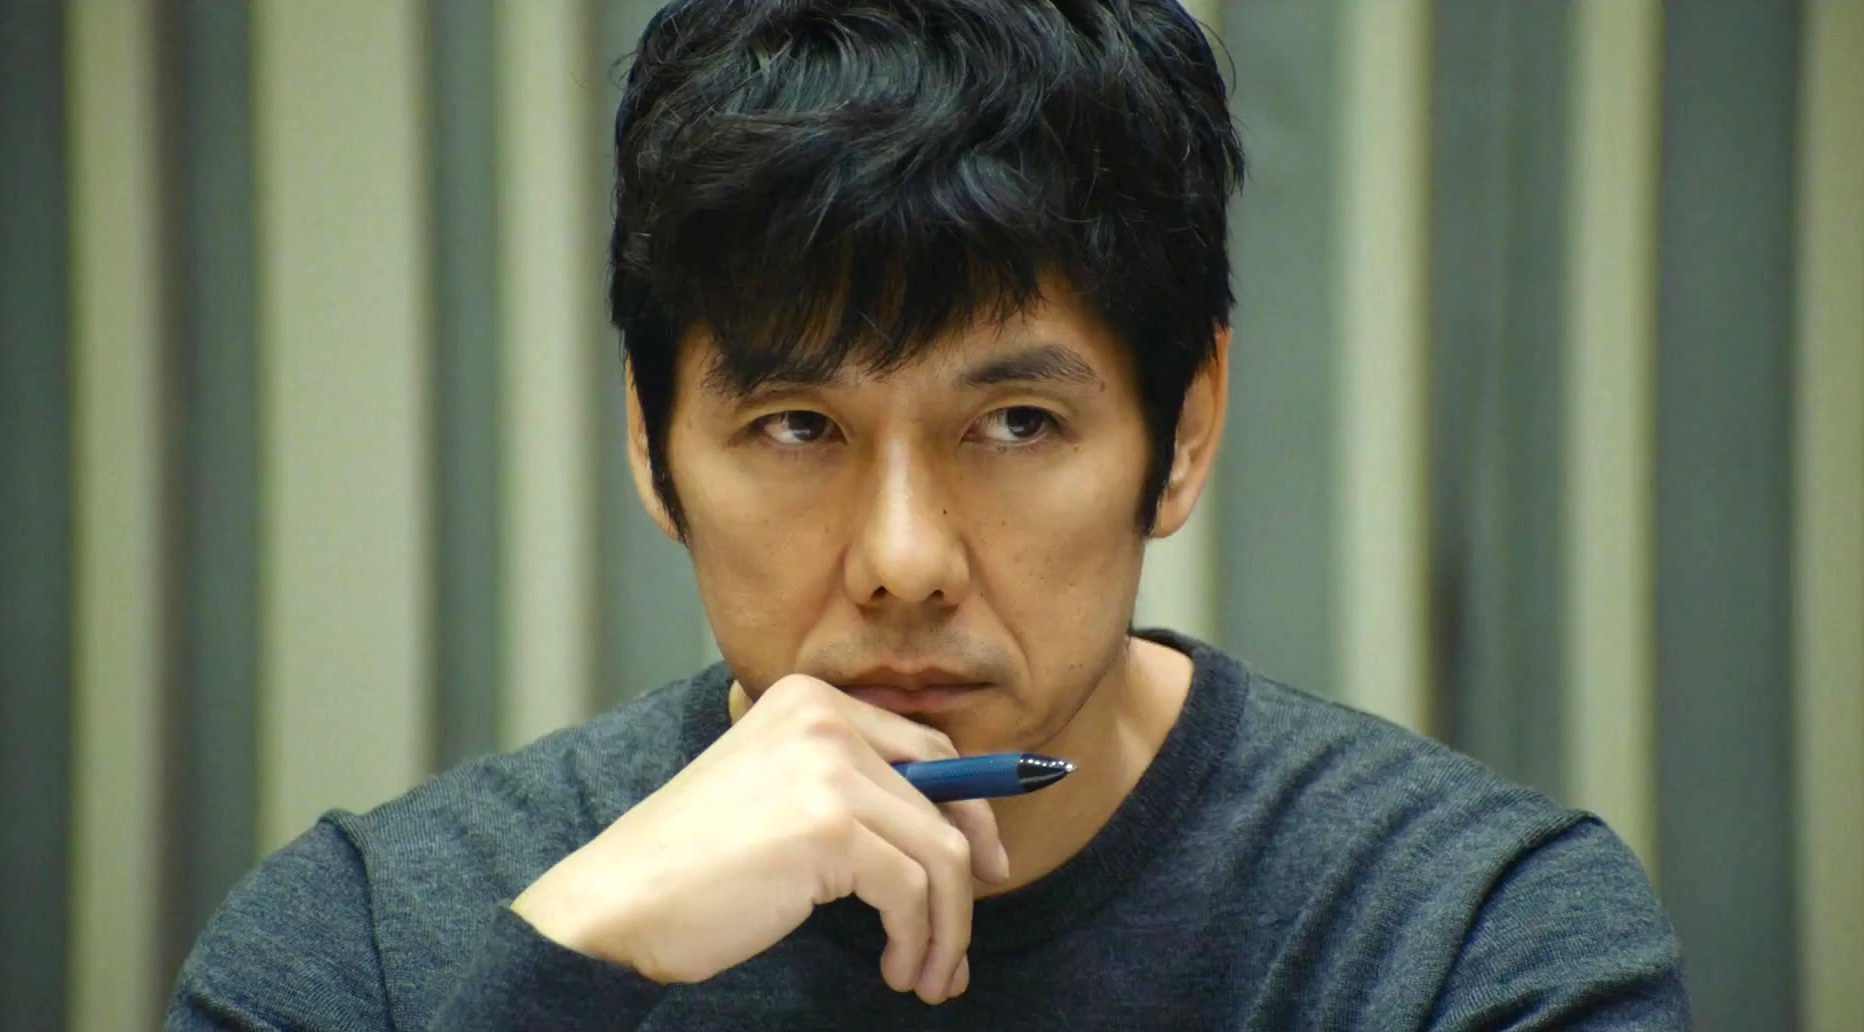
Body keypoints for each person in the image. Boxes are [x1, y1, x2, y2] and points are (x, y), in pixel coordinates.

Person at [169, 1, 1690, 1028]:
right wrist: (571, 973)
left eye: (1016, 423)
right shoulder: (371, 946)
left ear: (1185, 429)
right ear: (649, 441)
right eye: (799, 426)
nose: (904, 562)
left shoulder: (1466, 944)